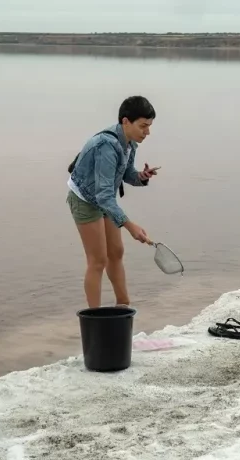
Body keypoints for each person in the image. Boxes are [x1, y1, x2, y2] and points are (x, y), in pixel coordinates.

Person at [66, 96, 159, 309]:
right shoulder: (106, 146)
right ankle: (94, 317)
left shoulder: (130, 142)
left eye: (149, 126)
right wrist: (130, 225)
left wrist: (141, 177)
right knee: (97, 260)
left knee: (116, 252)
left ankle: (123, 305)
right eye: (143, 126)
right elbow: (104, 196)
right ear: (126, 121)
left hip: (103, 198)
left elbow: (126, 174)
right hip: (85, 199)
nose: (147, 132)